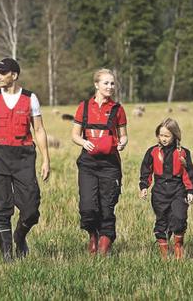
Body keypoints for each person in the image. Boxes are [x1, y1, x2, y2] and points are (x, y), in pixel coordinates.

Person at [0, 58, 51, 262]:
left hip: (24, 157)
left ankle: (20, 236)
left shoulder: (30, 98)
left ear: (14, 75)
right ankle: (7, 255)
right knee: (0, 206)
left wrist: (46, 160)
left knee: (31, 208)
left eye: (2, 73)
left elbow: (39, 130)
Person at [70, 69, 128, 256]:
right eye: (106, 83)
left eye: (112, 83)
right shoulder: (84, 107)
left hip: (110, 164)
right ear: (96, 85)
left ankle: (105, 242)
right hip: (88, 164)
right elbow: (74, 135)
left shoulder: (118, 109)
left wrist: (122, 143)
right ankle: (92, 234)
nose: (110, 87)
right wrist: (83, 142)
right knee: (88, 206)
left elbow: (124, 135)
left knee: (107, 205)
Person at [139, 118, 193, 260]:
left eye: (167, 136)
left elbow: (189, 173)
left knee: (179, 218)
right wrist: (144, 187)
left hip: (178, 190)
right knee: (162, 221)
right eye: (161, 135)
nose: (163, 139)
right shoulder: (152, 152)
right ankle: (164, 256)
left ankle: (178, 247)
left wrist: (191, 191)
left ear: (175, 136)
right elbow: (146, 171)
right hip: (159, 191)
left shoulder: (183, 153)